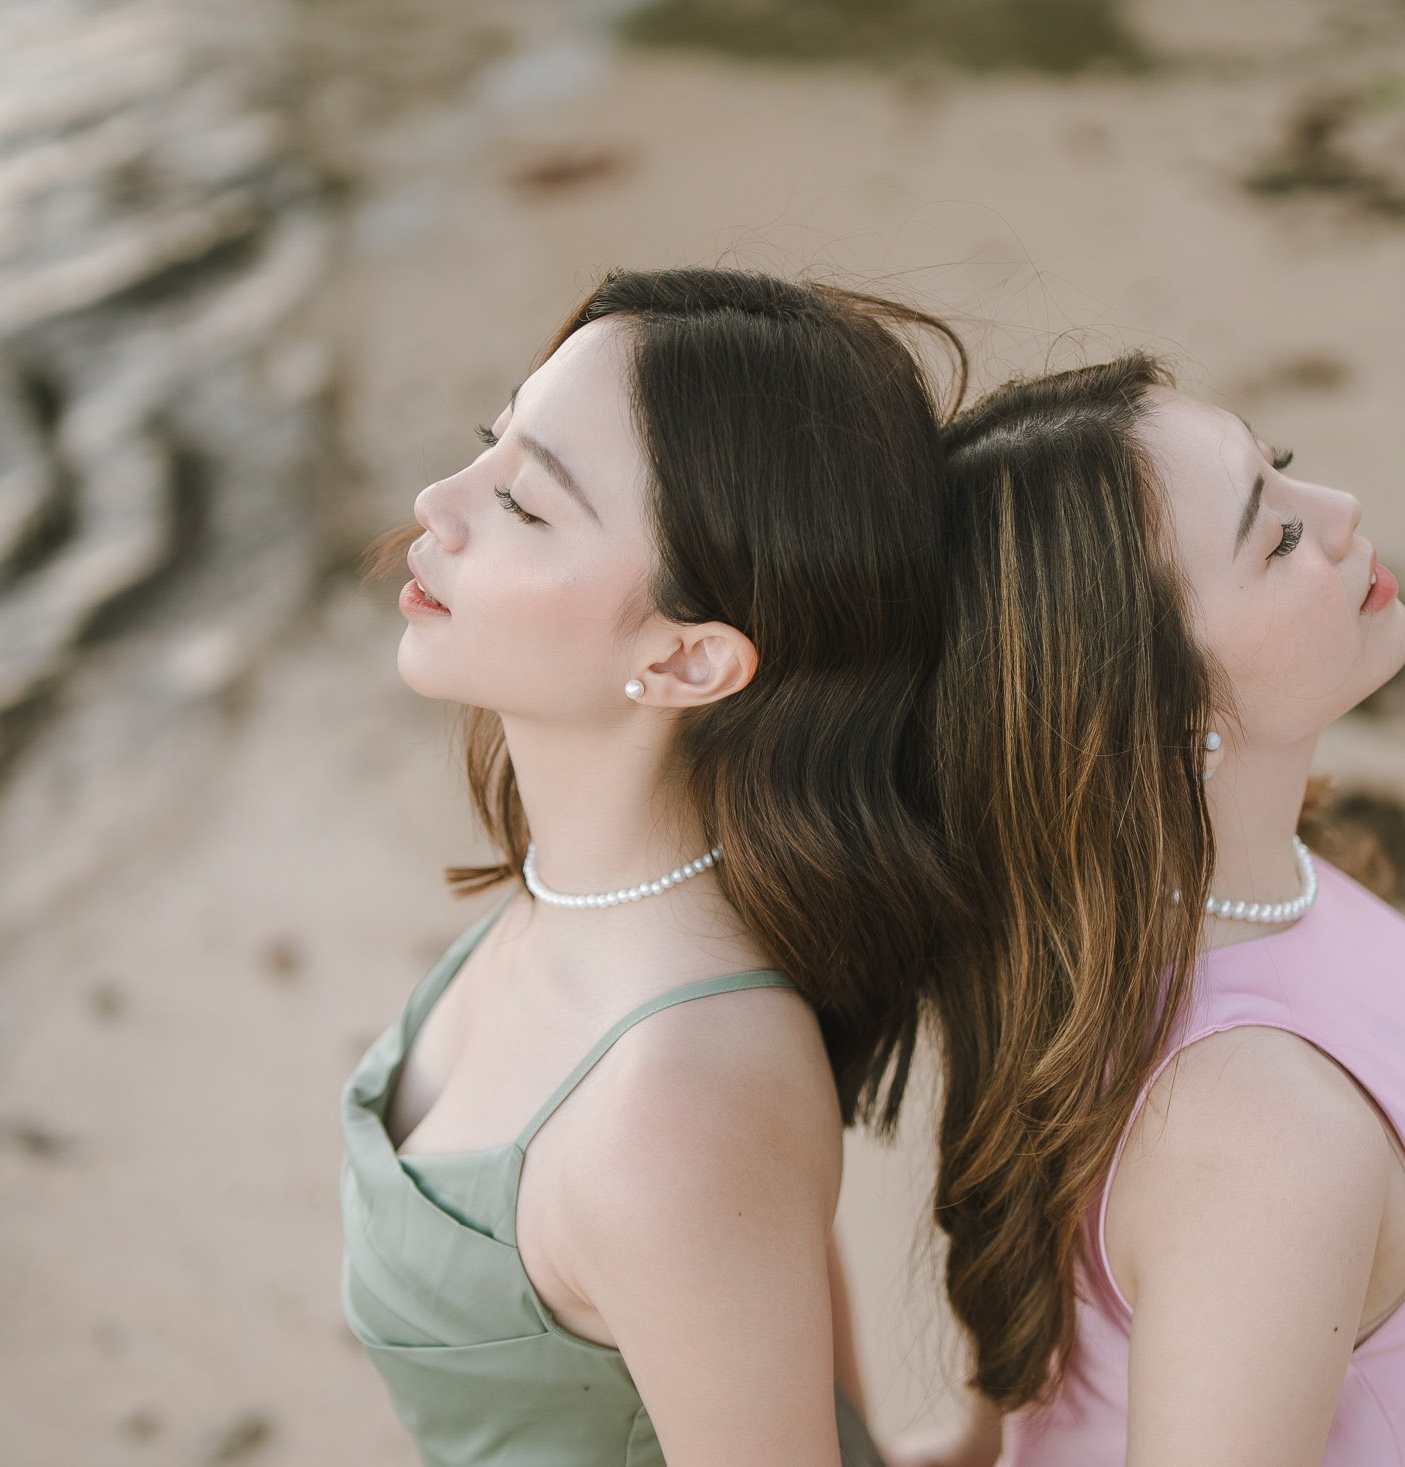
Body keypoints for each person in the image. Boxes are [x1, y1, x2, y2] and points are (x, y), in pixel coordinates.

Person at [901, 356, 1405, 1466]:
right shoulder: (1258, 1136)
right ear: (1151, 716)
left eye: (1281, 467)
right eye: (1276, 535)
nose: (1339, 510)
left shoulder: (1161, 918)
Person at [342, 268, 966, 1467]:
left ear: (687, 661)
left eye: (524, 503)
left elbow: (719, 1194)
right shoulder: (577, 898)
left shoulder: (676, 1105)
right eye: (489, 440)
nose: (437, 503)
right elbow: (769, 1248)